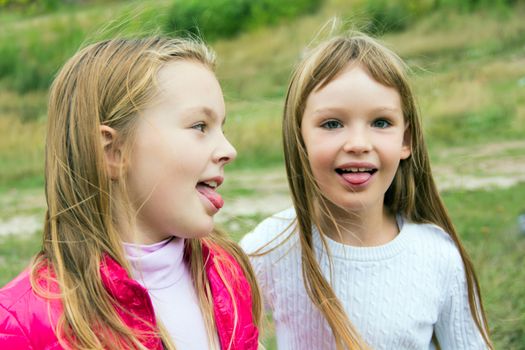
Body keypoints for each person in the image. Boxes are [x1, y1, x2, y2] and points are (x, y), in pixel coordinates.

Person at [0, 36, 261, 349]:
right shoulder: (24, 322)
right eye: (200, 126)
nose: (228, 150)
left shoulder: (226, 272)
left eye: (222, 127)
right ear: (112, 151)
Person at [240, 31, 493, 350]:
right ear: (300, 136)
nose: (358, 144)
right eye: (332, 124)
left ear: (406, 140)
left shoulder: (437, 257)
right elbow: (221, 330)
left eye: (381, 122)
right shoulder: (269, 246)